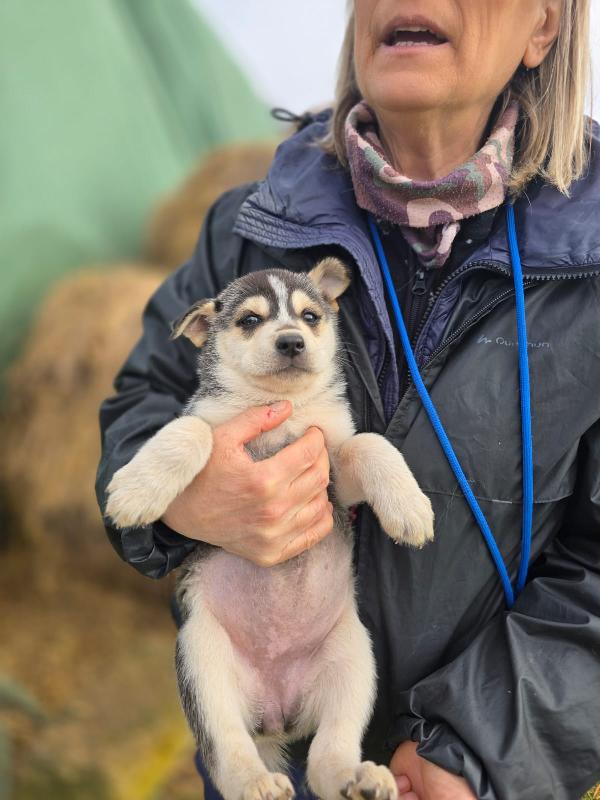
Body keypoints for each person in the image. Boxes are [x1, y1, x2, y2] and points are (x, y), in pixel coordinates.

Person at [96, 1, 600, 798]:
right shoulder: (249, 223)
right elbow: (142, 403)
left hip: (476, 771)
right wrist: (186, 503)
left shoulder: (590, 263)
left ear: (544, 27)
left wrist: (474, 755)